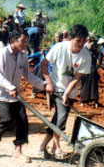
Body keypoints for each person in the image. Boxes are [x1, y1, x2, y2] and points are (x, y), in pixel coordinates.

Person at [0, 29, 46, 163]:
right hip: (1, 92)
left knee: (22, 120)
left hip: (15, 93)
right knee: (7, 119)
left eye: (26, 41)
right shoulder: (3, 54)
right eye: (22, 41)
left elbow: (28, 75)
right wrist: (9, 87)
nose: (25, 44)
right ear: (14, 40)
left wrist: (43, 85)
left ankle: (18, 151)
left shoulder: (23, 55)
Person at [39, 24, 92, 159]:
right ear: (70, 38)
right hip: (56, 87)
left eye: (83, 41)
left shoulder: (86, 56)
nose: (80, 44)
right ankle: (56, 149)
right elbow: (44, 64)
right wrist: (49, 83)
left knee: (58, 118)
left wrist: (67, 93)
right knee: (61, 119)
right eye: (77, 40)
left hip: (70, 91)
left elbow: (77, 77)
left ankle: (43, 145)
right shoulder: (59, 48)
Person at [79, 35, 102, 107]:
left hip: (85, 70)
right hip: (92, 70)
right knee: (93, 86)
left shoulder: (83, 51)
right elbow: (99, 63)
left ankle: (83, 101)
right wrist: (95, 68)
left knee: (84, 85)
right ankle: (95, 102)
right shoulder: (97, 51)